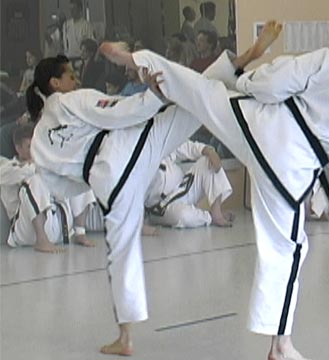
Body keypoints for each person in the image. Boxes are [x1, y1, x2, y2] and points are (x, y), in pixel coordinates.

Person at [100, 5, 329, 359]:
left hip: (262, 126)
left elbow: (274, 83)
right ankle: (280, 345)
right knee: (287, 248)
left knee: (200, 92)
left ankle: (139, 60)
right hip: (295, 165)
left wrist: (242, 82)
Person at [26, 53, 204, 355]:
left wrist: (94, 179)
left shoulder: (38, 141)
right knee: (197, 107)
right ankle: (230, 73)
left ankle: (126, 338)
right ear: (55, 83)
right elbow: (115, 112)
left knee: (122, 253)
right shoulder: (69, 101)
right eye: (70, 75)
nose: (76, 80)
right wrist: (152, 96)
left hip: (108, 176)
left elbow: (61, 185)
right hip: (126, 147)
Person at [0, 124, 95, 252]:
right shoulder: (7, 167)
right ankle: (41, 240)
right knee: (36, 180)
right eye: (29, 146)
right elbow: (19, 174)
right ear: (18, 148)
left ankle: (80, 232)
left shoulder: (45, 163)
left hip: (60, 226)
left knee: (77, 178)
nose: (34, 150)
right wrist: (39, 166)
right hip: (27, 230)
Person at [145, 140, 234, 228]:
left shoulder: (161, 141)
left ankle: (216, 212)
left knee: (208, 160)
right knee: (182, 215)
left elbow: (188, 147)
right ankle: (209, 217)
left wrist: (209, 151)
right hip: (161, 208)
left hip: (184, 188)